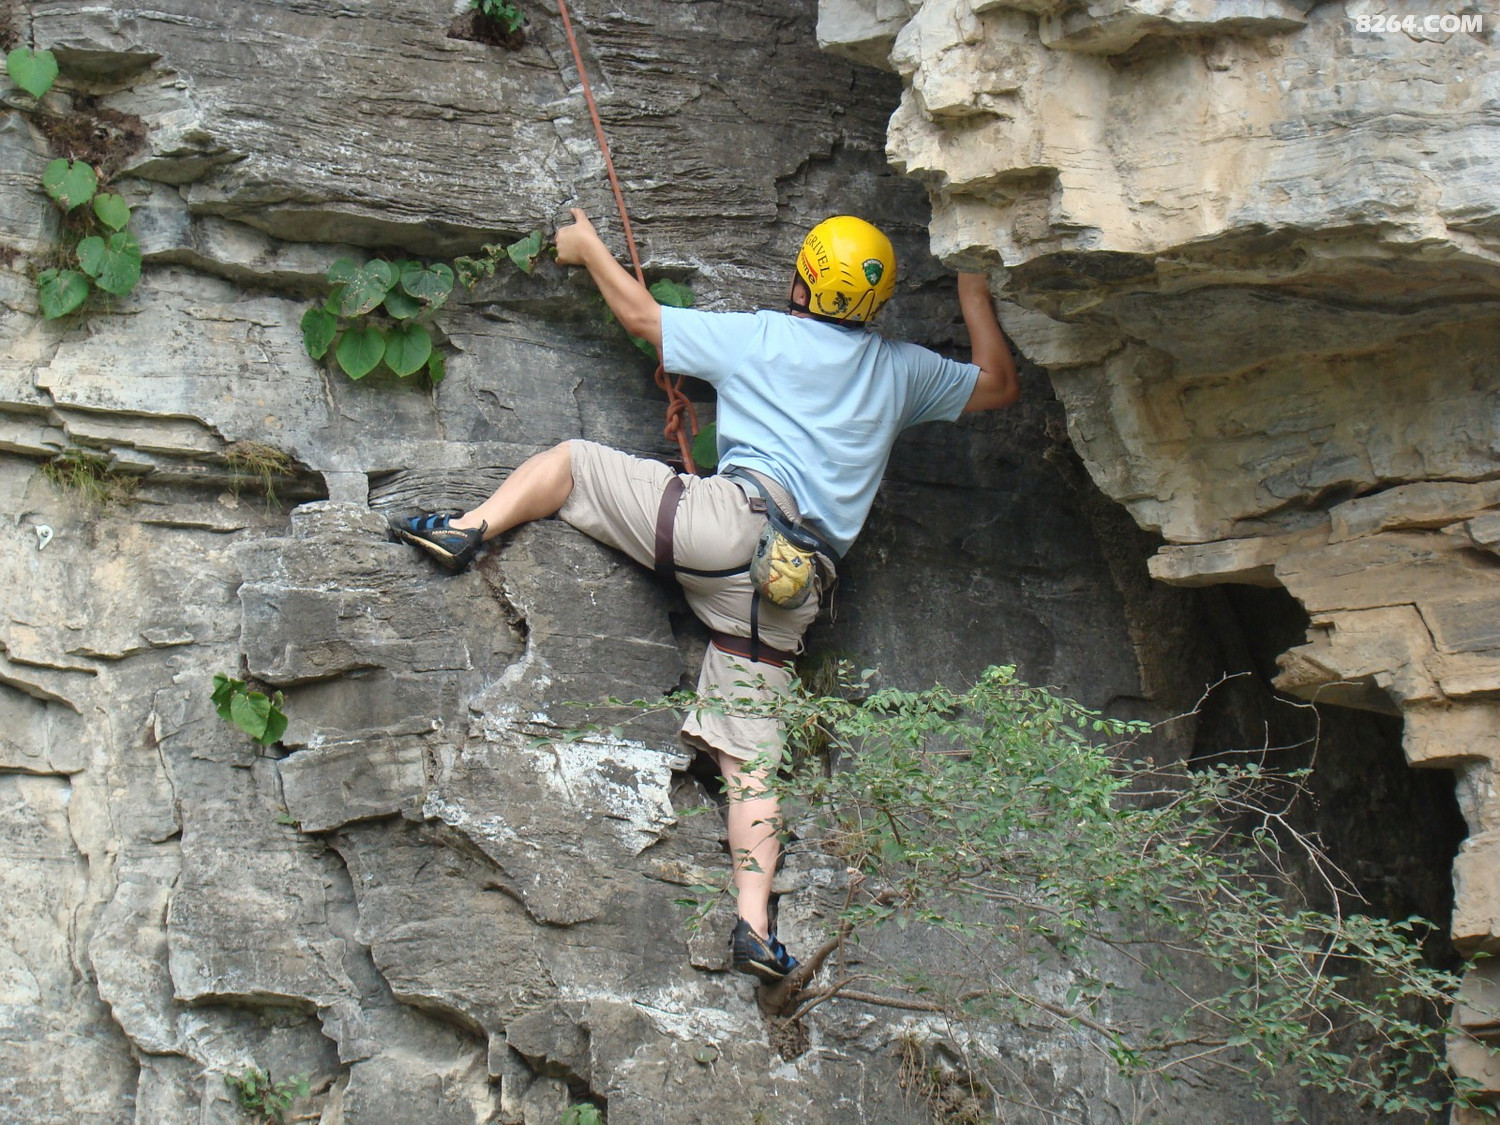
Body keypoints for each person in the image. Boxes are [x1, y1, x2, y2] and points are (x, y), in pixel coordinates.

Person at [393, 209, 1019, 983]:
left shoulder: (762, 336)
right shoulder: (900, 371)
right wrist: (970, 289)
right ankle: (754, 927)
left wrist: (587, 247)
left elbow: (641, 317)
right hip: (791, 585)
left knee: (575, 464)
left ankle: (467, 528)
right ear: (876, 304)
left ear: (802, 278)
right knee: (751, 761)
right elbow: (998, 383)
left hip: (722, 527)